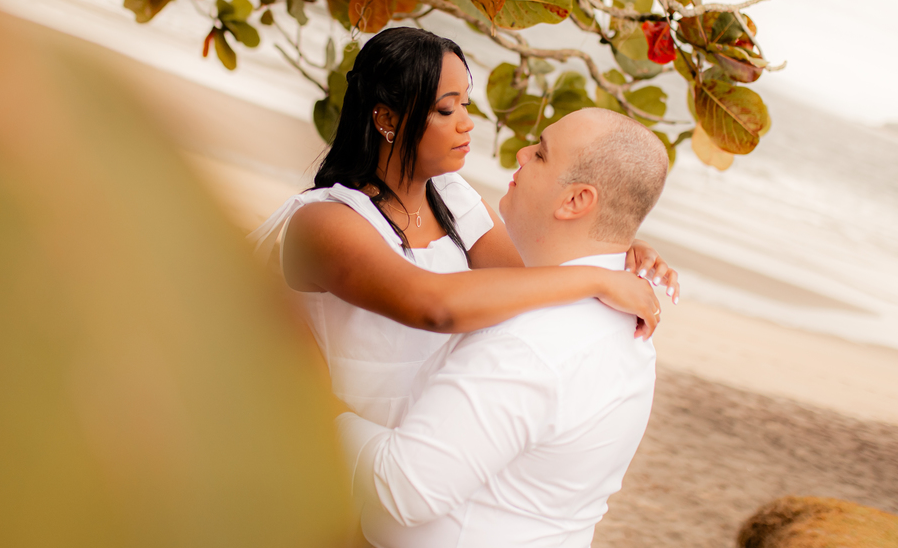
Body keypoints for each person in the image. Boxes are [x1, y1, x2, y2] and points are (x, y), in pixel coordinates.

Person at [249, 27, 677, 427]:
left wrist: (617, 246)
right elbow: (433, 306)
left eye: (466, 104)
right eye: (445, 109)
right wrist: (597, 278)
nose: (467, 122)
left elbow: (531, 275)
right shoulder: (325, 221)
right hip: (344, 440)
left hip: (429, 436)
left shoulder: (451, 197)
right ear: (388, 120)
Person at [337, 107, 668, 548]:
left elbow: (407, 488)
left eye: (541, 153)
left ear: (576, 200)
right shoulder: (618, 312)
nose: (521, 153)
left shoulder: (534, 338)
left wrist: (310, 408)